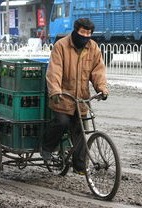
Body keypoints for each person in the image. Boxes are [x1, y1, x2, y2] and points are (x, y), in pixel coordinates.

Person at [41, 18, 109, 175]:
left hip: (81, 99)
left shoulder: (93, 48)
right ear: (75, 30)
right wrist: (55, 91)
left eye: (89, 34)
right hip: (63, 96)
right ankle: (46, 147)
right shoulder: (61, 46)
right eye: (83, 33)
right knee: (62, 122)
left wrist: (102, 89)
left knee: (80, 130)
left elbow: (98, 71)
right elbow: (54, 71)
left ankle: (79, 166)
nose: (85, 36)